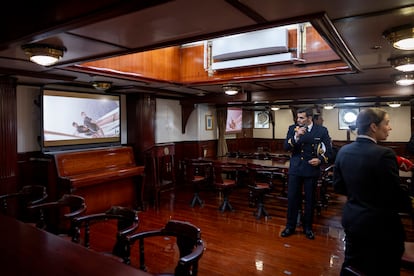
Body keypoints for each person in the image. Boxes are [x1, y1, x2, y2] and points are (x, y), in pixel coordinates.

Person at [333, 107, 412, 275]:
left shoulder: (343, 151)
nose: (390, 128)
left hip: (352, 221)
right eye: (387, 123)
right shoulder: (385, 154)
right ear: (373, 127)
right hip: (381, 227)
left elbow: (339, 188)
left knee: (352, 266)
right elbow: (395, 196)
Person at [281, 107, 333, 240]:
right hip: (296, 169)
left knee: (310, 200)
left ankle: (308, 228)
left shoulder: (321, 130)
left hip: (311, 169)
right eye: (298, 118)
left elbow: (329, 152)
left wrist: (320, 160)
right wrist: (296, 136)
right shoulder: (293, 128)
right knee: (292, 198)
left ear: (309, 118)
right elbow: (286, 147)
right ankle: (290, 226)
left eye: (301, 118)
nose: (298, 120)